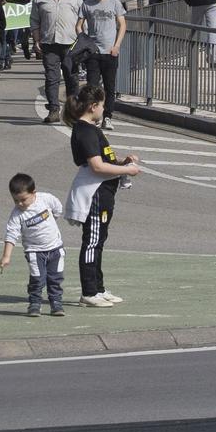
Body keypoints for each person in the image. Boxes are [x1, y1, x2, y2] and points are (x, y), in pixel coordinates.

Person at [65, 83, 140, 308]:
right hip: (95, 193)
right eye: (103, 106)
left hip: (104, 192)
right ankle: (89, 291)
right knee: (92, 242)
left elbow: (105, 161)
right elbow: (97, 167)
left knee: (99, 241)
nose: (103, 110)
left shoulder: (92, 130)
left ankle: (98, 287)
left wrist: (122, 163)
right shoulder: (85, 131)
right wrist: (127, 171)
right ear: (93, 106)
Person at [0, 172, 66, 317]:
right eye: (16, 201)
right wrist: (6, 256)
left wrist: (52, 223)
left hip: (55, 248)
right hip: (34, 251)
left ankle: (56, 303)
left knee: (55, 278)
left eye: (23, 199)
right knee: (37, 278)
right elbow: (11, 235)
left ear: (33, 193)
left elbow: (57, 209)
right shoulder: (17, 214)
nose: (20, 204)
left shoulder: (45, 199)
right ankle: (35, 303)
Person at [32, 0, 80, 123]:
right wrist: (36, 39)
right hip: (49, 42)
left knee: (71, 77)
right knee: (51, 77)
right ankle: (53, 109)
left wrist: (83, 38)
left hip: (70, 42)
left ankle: (73, 110)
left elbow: (82, 17)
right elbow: (35, 20)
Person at [78, 0, 127, 124]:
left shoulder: (114, 3)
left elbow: (122, 25)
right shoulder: (87, 4)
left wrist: (117, 45)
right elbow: (79, 25)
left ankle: (108, 116)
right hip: (94, 52)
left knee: (109, 86)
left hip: (110, 51)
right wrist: (85, 42)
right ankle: (93, 115)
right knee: (92, 86)